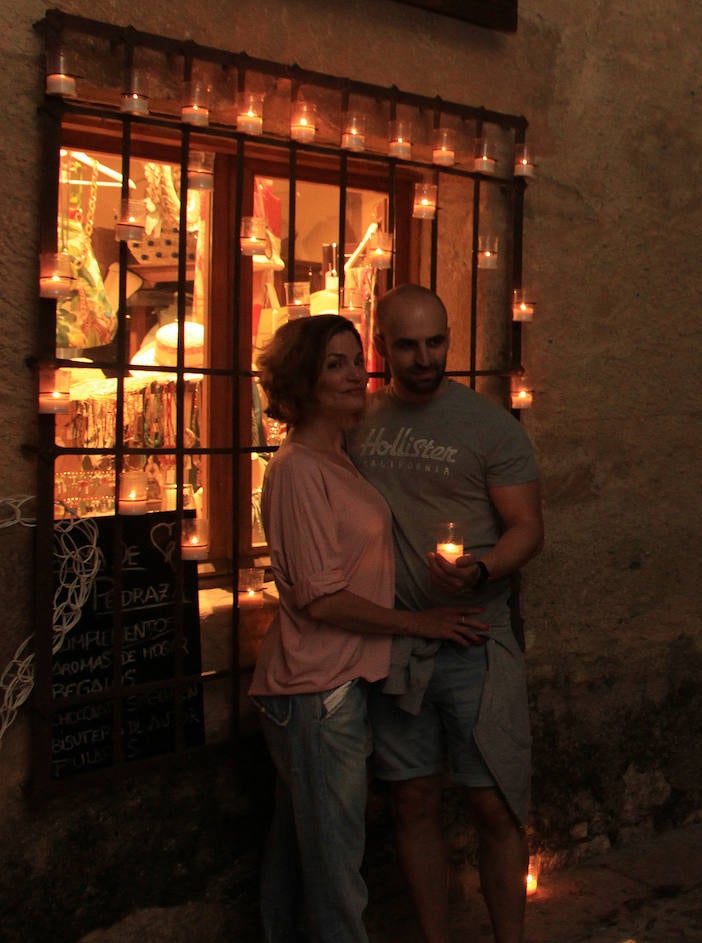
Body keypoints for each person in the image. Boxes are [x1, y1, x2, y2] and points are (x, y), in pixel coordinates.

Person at [249, 315, 480, 942]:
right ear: (303, 378)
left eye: (356, 360)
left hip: (335, 684)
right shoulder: (298, 467)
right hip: (313, 689)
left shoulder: (340, 457)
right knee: (333, 867)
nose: (355, 373)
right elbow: (321, 598)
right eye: (334, 363)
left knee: (301, 858)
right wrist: (417, 622)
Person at [348, 284, 543, 943]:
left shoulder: (490, 425)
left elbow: (527, 528)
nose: (425, 356)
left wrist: (482, 569)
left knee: (493, 802)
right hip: (397, 644)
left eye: (436, 341)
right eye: (408, 344)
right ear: (383, 345)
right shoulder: (361, 422)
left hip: (475, 641)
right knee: (412, 799)